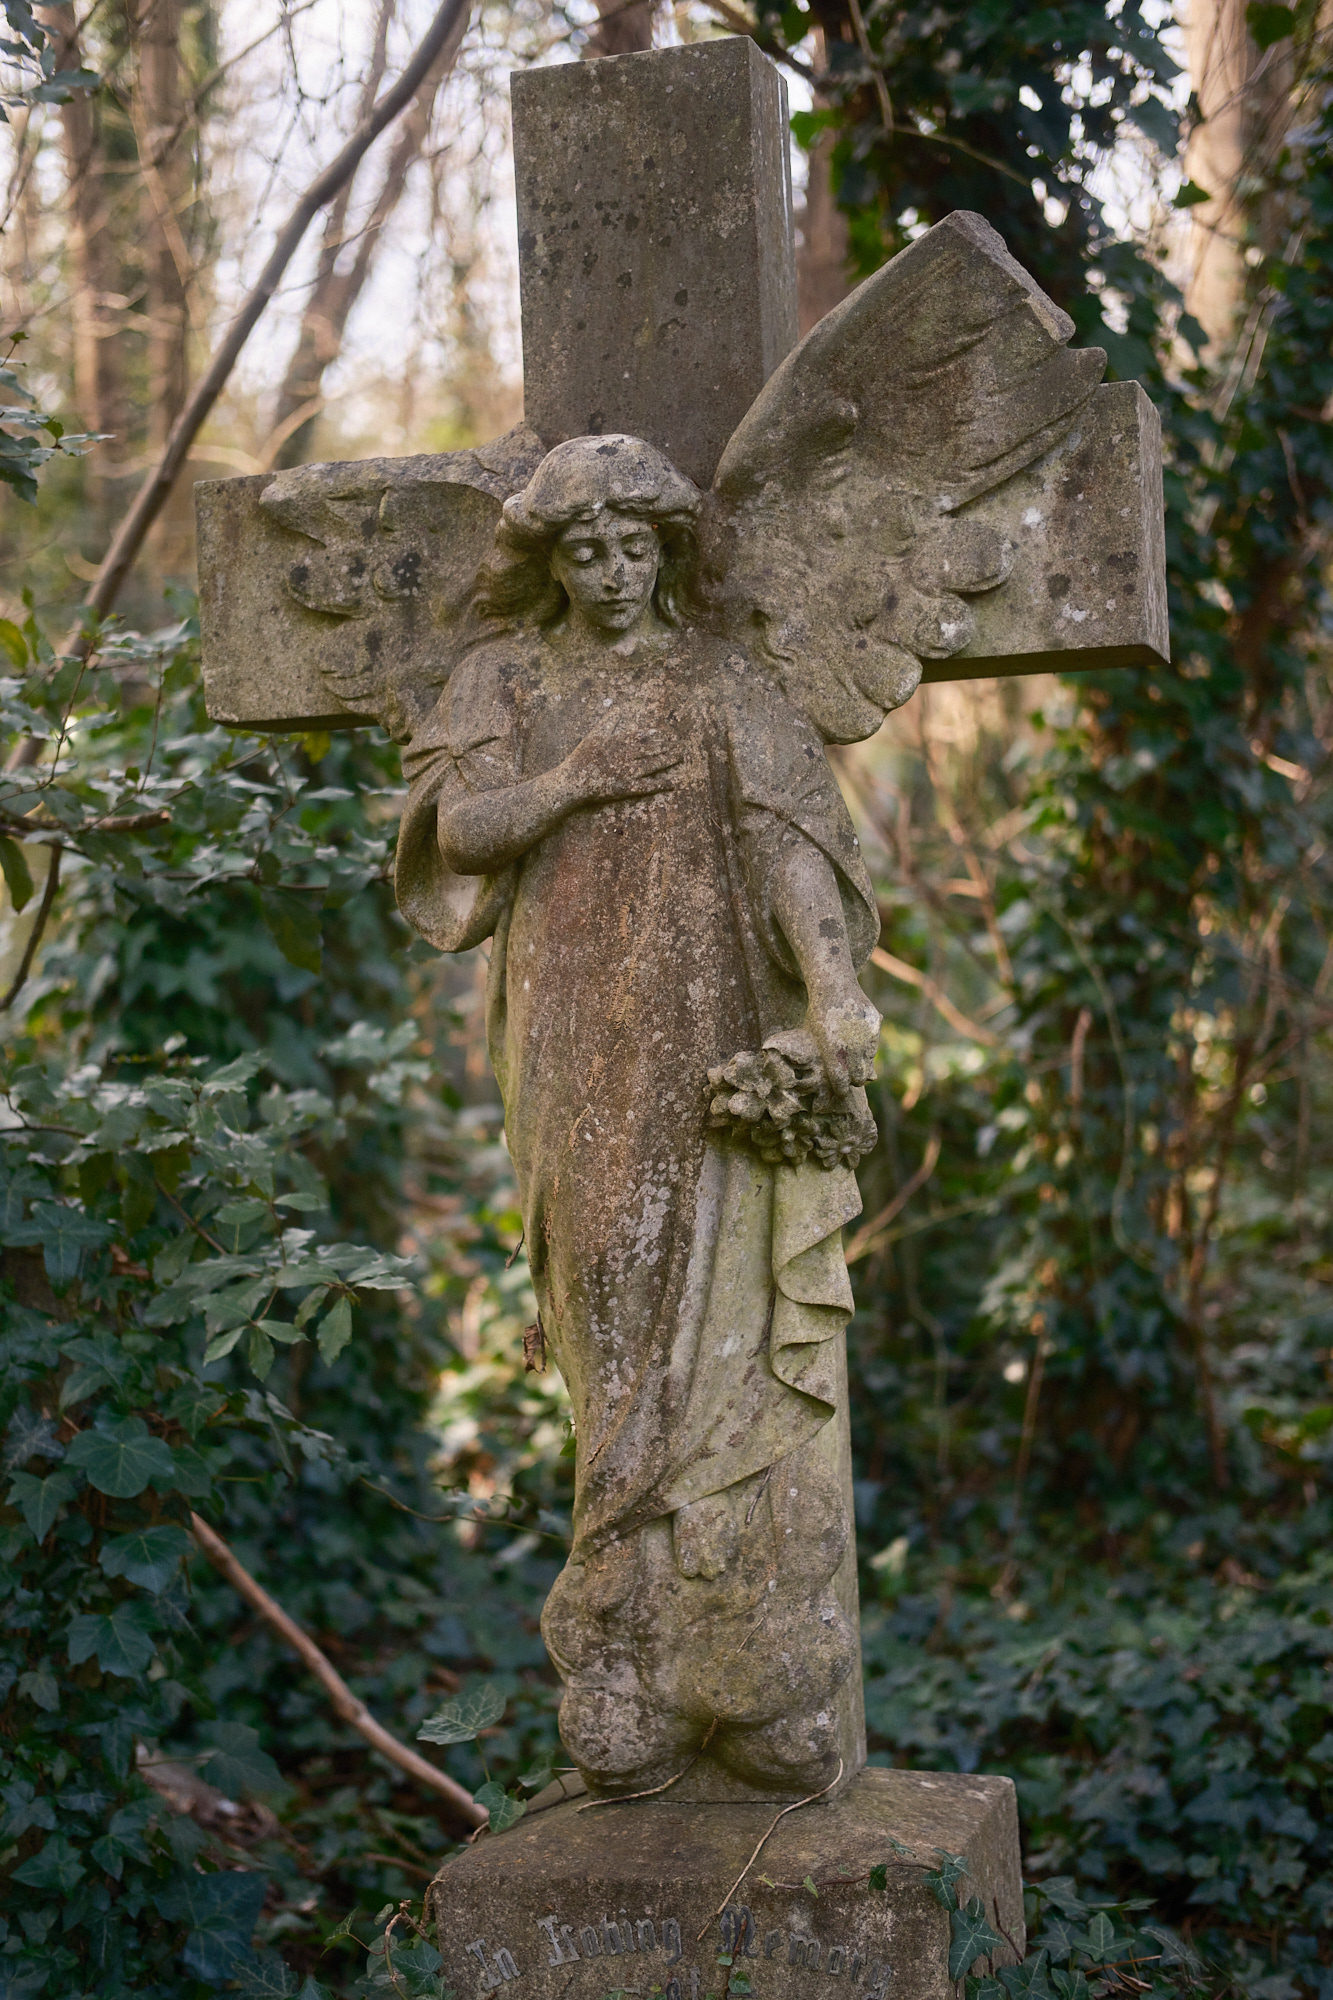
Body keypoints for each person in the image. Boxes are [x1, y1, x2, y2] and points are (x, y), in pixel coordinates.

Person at [396, 435, 880, 1797]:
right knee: (608, 1317)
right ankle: (620, 1655)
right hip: (570, 1039)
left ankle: (754, 1664)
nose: (609, 573)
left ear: (667, 550)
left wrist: (832, 994)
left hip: (712, 1030)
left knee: (733, 1338)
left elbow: (787, 839)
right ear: (544, 562)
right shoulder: (509, 677)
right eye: (580, 550)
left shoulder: (726, 679)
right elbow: (460, 833)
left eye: (631, 546)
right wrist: (574, 779)